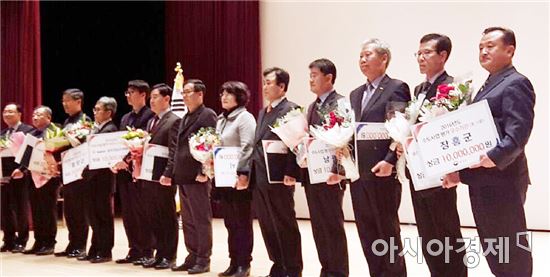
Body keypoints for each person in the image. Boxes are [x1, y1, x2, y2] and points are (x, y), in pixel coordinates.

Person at [448, 26, 535, 277]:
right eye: (480, 47)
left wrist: (494, 157)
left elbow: (518, 133)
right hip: (483, 180)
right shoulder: (488, 84)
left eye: (490, 46)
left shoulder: (516, 83)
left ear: (510, 50)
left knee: (510, 250)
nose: (483, 51)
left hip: (502, 180)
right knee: (494, 248)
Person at [348, 39, 410, 277]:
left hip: (383, 172)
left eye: (367, 55)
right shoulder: (355, 94)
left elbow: (399, 127)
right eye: (360, 56)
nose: (362, 60)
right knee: (366, 231)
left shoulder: (396, 87)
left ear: (384, 59)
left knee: (387, 232)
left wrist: (390, 160)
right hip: (359, 175)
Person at [409, 33, 466, 277]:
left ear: (443, 55)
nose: (421, 57)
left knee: (446, 230)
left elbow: (459, 128)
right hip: (419, 171)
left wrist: (454, 168)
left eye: (427, 53)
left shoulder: (453, 86)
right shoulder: (419, 88)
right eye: (418, 53)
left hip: (442, 173)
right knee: (427, 231)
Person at [250, 67, 303, 277]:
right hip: (260, 176)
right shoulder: (264, 111)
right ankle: (278, 264)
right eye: (263, 82)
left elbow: (296, 144)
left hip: (280, 177)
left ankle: (292, 268)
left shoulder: (292, 109)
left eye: (269, 83)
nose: (264, 87)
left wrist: (291, 171)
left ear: (282, 86)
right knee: (267, 224)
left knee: (284, 223)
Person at [165, 79, 217, 274]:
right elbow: (178, 148)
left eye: (188, 92)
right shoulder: (185, 116)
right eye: (184, 92)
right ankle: (192, 254)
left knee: (201, 218)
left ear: (200, 94)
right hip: (183, 175)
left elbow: (211, 144)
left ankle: (204, 258)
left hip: (198, 176)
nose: (184, 95)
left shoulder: (207, 114)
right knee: (187, 219)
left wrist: (204, 171)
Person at [303, 58, 348, 277]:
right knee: (318, 226)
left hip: (332, 175)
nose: (310, 80)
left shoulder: (340, 103)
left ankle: (338, 272)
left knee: (332, 224)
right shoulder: (312, 106)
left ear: (329, 78)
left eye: (314, 75)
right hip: (313, 174)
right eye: (309, 75)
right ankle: (326, 269)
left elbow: (344, 141)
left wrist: (337, 170)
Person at [214, 81, 256, 277]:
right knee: (230, 223)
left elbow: (248, 147)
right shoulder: (221, 120)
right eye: (222, 93)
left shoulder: (244, 118)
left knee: (242, 223)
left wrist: (242, 173)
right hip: (223, 179)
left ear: (239, 96)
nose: (224, 97)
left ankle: (244, 264)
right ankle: (233, 262)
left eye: (229, 93)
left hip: (239, 179)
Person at [114, 80, 155, 265]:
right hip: (124, 172)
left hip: (142, 170)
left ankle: (147, 250)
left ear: (143, 95)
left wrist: (129, 158)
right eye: (127, 92)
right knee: (129, 212)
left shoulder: (150, 116)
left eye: (131, 92)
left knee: (143, 212)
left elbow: (147, 142)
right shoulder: (125, 118)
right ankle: (134, 248)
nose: (128, 95)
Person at [140, 84, 180, 270]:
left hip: (163, 176)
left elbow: (174, 151)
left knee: (167, 216)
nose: (151, 100)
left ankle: (169, 255)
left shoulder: (174, 120)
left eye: (155, 96)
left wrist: (168, 173)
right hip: (149, 174)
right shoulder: (151, 121)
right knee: (153, 215)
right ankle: (158, 253)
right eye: (151, 97)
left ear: (167, 99)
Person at [78, 97, 118, 263]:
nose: (95, 113)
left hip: (102, 179)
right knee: (93, 215)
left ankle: (105, 250)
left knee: (103, 215)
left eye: (98, 109)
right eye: (94, 109)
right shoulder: (95, 129)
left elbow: (102, 157)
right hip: (91, 179)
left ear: (108, 112)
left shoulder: (110, 129)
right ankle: (95, 248)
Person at [18, 106, 61, 256]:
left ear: (48, 118)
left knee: (47, 210)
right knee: (36, 210)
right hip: (32, 176)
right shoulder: (31, 133)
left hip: (48, 177)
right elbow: (27, 156)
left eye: (39, 114)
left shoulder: (54, 131)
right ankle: (39, 241)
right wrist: (21, 169)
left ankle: (49, 243)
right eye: (34, 114)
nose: (35, 117)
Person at [55, 88, 91, 258]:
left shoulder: (85, 121)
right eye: (63, 101)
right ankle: (72, 243)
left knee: (79, 211)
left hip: (79, 173)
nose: (64, 104)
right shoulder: (67, 121)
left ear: (78, 101)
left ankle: (81, 245)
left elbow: (85, 146)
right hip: (67, 172)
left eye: (67, 100)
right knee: (69, 211)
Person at [0, 103, 33, 253]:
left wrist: (21, 169)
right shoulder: (2, 134)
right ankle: (8, 240)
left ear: (19, 114)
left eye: (10, 111)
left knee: (20, 208)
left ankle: (21, 240)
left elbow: (30, 153)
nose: (6, 114)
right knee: (5, 209)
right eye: (5, 111)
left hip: (20, 175)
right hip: (4, 176)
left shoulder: (28, 130)